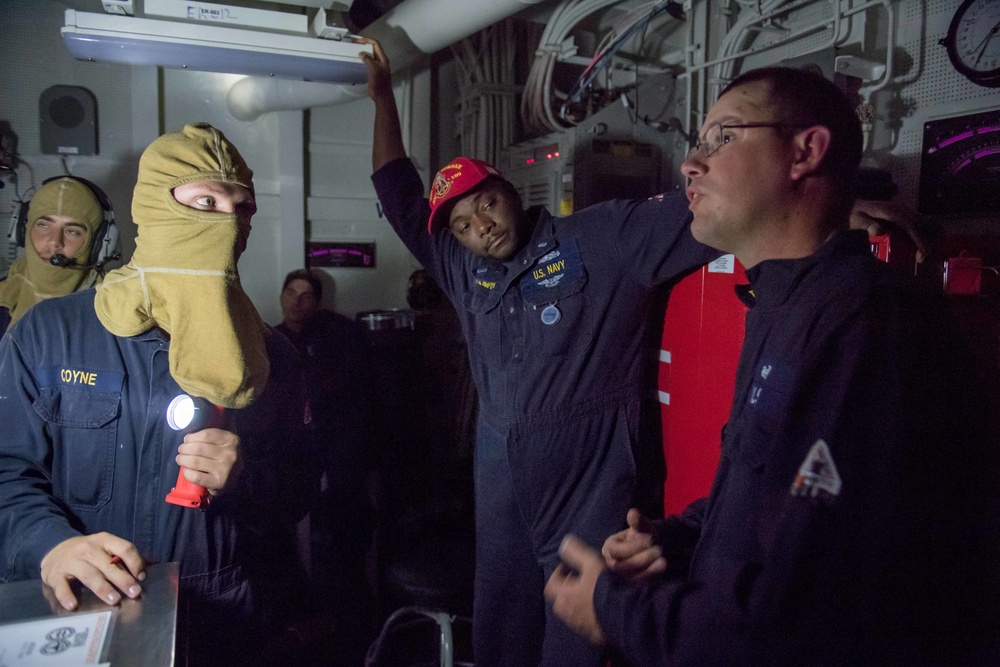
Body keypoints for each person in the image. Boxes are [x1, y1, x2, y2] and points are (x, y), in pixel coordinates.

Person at [544, 67, 1000, 665]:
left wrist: (614, 612)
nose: (691, 164)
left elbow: (801, 617)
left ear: (805, 152)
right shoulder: (786, 299)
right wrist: (677, 538)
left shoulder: (861, 325)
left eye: (723, 137)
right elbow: (775, 496)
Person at [360, 37, 719, 667]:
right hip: (500, 477)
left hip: (591, 471)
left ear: (508, 189)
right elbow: (397, 192)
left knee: (577, 634)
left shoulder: (603, 238)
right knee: (500, 626)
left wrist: (833, 209)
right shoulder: (462, 267)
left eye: (487, 205)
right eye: (464, 226)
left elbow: (717, 215)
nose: (482, 228)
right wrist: (382, 96)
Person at [0, 123, 319, 667]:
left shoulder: (271, 358)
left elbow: (298, 493)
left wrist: (248, 477)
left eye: (239, 208)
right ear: (153, 205)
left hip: (222, 617)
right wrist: (50, 544)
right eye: (203, 201)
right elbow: (7, 469)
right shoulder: (48, 335)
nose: (224, 222)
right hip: (79, 608)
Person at [275, 268, 377, 666]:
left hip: (336, 459)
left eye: (307, 296)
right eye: (291, 293)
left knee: (340, 546)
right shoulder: (273, 340)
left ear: (317, 303)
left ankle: (346, 630)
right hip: (292, 461)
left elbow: (354, 403)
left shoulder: (336, 337)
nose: (298, 303)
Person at [0, 176, 112, 333]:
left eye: (72, 231)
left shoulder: (112, 309)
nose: (54, 241)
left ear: (97, 244)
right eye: (43, 225)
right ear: (23, 230)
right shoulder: (4, 293)